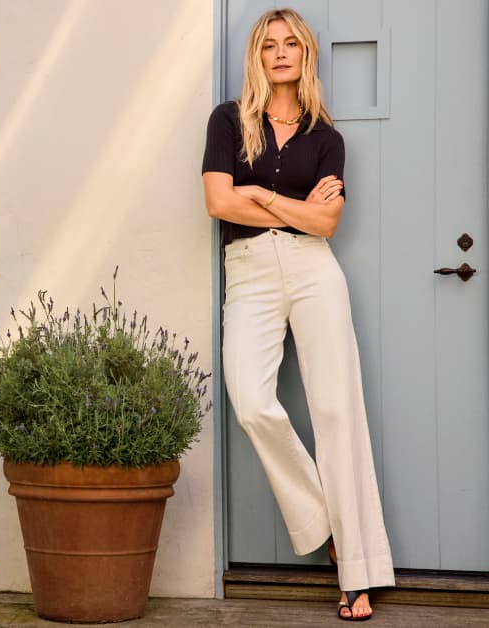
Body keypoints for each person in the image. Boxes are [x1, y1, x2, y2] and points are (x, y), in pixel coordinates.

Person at [201, 7, 394, 622]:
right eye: (268, 45)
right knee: (252, 401)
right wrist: (294, 207)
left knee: (338, 410)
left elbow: (326, 223)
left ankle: (357, 573)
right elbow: (217, 201)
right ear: (256, 56)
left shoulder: (326, 137)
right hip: (249, 271)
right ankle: (327, 525)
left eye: (290, 44)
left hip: (315, 271)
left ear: (306, 55)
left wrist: (259, 193)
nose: (279, 53)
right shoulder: (228, 120)